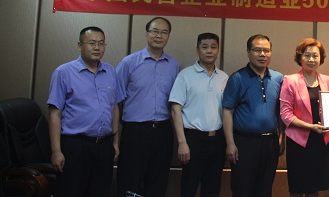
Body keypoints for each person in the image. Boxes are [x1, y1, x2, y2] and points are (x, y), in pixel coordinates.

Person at [47, 26, 124, 197]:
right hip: (75, 146)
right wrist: (56, 151)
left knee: (100, 191)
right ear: (79, 45)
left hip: (104, 146)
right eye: (92, 43)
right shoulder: (64, 72)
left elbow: (114, 107)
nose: (97, 47)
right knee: (71, 191)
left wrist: (115, 142)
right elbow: (54, 114)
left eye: (101, 43)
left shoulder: (110, 71)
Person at [116, 16, 180, 197]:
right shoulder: (129, 63)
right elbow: (116, 99)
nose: (159, 36)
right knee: (129, 181)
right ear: (146, 34)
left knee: (158, 183)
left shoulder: (174, 65)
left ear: (168, 36)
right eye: (155, 31)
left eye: (164, 32)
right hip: (135, 131)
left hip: (163, 131)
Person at [222, 34, 284, 197]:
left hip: (270, 143)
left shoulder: (278, 78)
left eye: (266, 50)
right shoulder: (237, 78)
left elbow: (281, 111)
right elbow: (227, 111)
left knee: (265, 189)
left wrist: (281, 137)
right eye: (257, 50)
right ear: (248, 52)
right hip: (244, 143)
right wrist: (230, 143)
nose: (262, 54)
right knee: (242, 189)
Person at [169, 32, 229, 197]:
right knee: (189, 187)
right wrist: (182, 142)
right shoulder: (185, 75)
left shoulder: (224, 77)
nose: (209, 51)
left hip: (217, 140)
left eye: (213, 47)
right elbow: (175, 110)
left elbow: (228, 112)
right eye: (204, 47)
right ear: (197, 49)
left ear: (218, 50)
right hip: (193, 139)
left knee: (212, 188)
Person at [280, 38, 329, 197]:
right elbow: (285, 114)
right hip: (299, 142)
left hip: (321, 141)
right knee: (297, 188)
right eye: (307, 55)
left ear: (321, 58)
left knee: (314, 188)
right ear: (300, 57)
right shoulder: (290, 80)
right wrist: (310, 127)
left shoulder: (327, 80)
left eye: (315, 56)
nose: (311, 59)